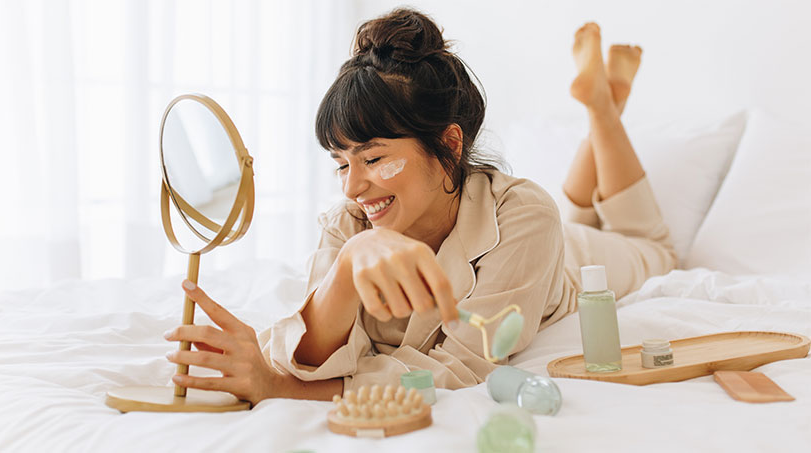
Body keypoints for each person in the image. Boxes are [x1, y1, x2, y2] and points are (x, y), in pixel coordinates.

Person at [163, 8, 674, 404]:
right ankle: (602, 107)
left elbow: (459, 370)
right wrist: (347, 265)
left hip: (573, 260)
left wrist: (283, 391)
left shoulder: (524, 216)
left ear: (450, 146)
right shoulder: (350, 223)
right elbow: (310, 353)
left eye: (375, 157)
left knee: (651, 244)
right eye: (342, 163)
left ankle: (605, 110)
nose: (352, 188)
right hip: (551, 231)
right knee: (576, 208)